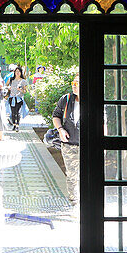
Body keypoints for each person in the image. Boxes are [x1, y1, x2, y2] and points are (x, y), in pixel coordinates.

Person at [52, 73, 80, 207]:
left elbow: (102, 123)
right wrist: (60, 129)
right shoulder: (67, 99)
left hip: (87, 145)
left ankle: (87, 202)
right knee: (72, 175)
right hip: (69, 145)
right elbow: (56, 115)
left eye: (77, 83)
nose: (74, 86)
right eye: (73, 83)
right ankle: (75, 202)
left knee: (87, 175)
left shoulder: (94, 100)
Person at [6, 65, 29, 132]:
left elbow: (25, 91)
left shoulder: (23, 81)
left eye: (19, 71)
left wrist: (20, 90)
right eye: (16, 71)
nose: (17, 73)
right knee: (13, 112)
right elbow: (5, 86)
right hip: (12, 98)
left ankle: (17, 125)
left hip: (19, 98)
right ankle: (14, 124)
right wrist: (8, 88)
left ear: (21, 73)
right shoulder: (11, 79)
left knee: (18, 112)